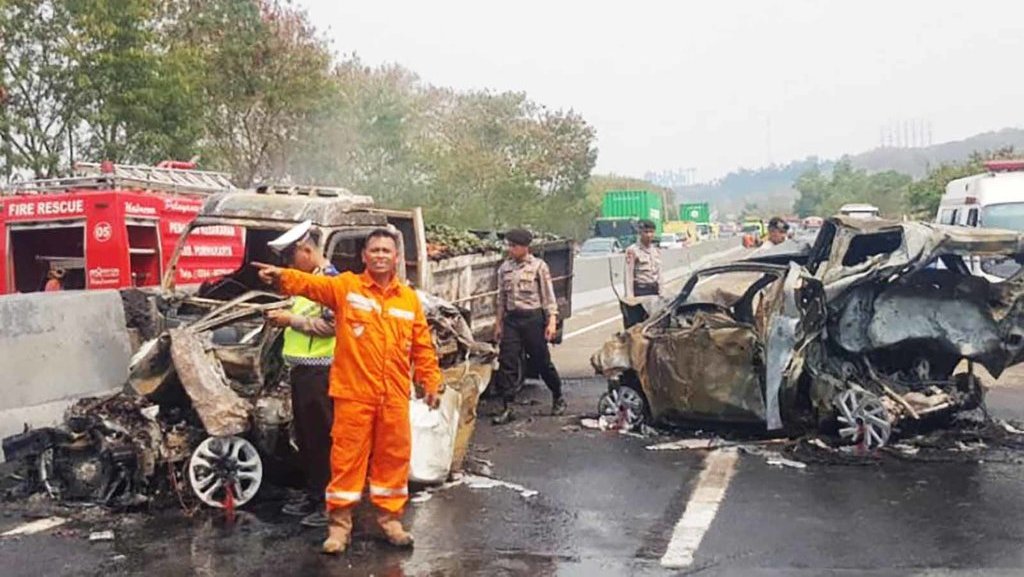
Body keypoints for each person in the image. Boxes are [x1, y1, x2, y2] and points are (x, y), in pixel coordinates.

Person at [254, 228, 442, 555]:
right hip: (354, 394)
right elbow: (313, 285)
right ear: (364, 256)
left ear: (396, 257)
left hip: (394, 396)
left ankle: (390, 521)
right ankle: (339, 527)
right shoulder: (347, 287)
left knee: (393, 460)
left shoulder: (408, 299)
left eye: (387, 250)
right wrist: (281, 277)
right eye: (375, 250)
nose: (381, 255)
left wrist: (430, 380)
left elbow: (422, 345)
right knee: (345, 461)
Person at [264, 220, 338, 528]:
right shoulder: (307, 282)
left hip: (321, 372)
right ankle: (314, 493)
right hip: (303, 371)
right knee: (307, 440)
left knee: (323, 439)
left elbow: (332, 325)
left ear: (306, 251)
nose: (288, 266)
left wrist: (290, 321)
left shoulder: (330, 282)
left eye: (290, 259)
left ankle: (329, 502)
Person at [492, 228, 565, 425]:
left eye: (514, 246)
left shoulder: (539, 267)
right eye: (509, 245)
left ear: (525, 247)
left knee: (542, 362)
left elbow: (549, 297)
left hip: (533, 319)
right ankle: (508, 407)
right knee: (507, 362)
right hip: (512, 320)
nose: (511, 249)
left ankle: (557, 395)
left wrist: (551, 321)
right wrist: (498, 324)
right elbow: (501, 299)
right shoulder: (505, 268)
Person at [624, 220, 662, 298]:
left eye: (651, 232)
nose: (649, 235)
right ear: (640, 232)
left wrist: (662, 291)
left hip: (654, 289)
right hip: (641, 290)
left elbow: (660, 273)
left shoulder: (655, 250)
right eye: (646, 232)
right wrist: (630, 296)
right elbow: (628, 275)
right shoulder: (633, 250)